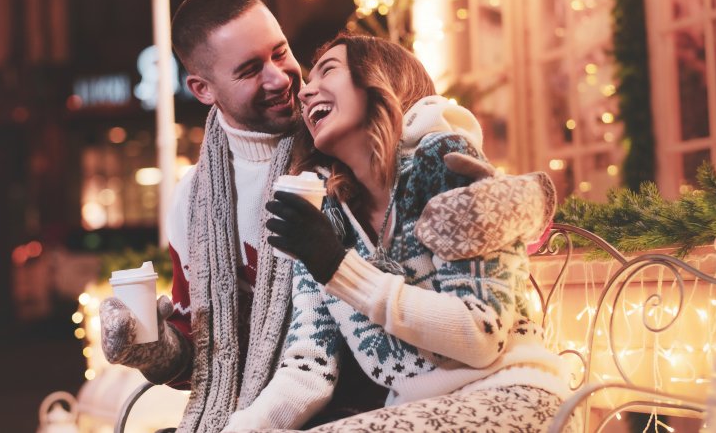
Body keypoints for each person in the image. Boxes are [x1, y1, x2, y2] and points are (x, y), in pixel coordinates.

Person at [222, 34, 571, 432]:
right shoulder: (327, 215)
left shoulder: (445, 162)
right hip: (413, 413)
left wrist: (337, 266)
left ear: (380, 79)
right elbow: (307, 370)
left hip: (512, 395)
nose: (305, 91)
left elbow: (480, 335)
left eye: (329, 70)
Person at [98, 0, 385, 433]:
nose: (279, 78)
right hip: (247, 417)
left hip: (359, 406)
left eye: (280, 52)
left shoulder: (344, 148)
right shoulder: (191, 199)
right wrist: (151, 351)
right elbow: (207, 362)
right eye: (250, 70)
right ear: (202, 89)